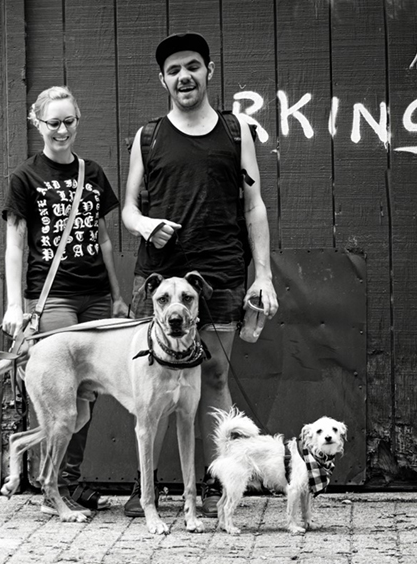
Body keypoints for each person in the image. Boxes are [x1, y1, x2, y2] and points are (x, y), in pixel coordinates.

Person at [121, 32, 279, 519]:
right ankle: (146, 487)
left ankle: (216, 484)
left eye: (192, 66)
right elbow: (128, 209)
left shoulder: (236, 130)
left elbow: (253, 205)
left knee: (214, 375)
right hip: (159, 278)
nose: (184, 76)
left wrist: (264, 275)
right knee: (152, 382)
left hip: (221, 273)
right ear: (163, 80)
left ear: (209, 70)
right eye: (173, 70)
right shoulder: (148, 137)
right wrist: (146, 226)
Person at [2, 85, 128, 517]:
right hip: (52, 297)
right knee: (62, 396)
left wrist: (117, 296)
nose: (61, 130)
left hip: (96, 298)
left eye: (69, 121)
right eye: (53, 122)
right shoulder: (25, 177)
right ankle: (53, 489)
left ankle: (66, 481)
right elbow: (15, 245)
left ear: (78, 121)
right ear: (37, 123)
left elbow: (104, 239)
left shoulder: (92, 173)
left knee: (85, 399)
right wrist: (15, 305)